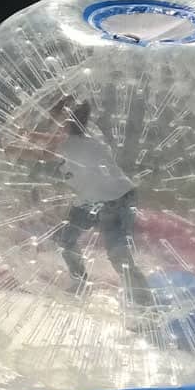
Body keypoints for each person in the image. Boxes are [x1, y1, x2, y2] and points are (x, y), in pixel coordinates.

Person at [39, 97, 154, 309]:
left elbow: (44, 153)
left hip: (114, 202)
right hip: (93, 200)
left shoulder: (69, 146)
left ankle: (145, 306)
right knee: (65, 239)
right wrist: (27, 135)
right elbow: (51, 142)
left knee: (118, 254)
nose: (50, 123)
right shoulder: (83, 140)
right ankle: (80, 283)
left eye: (53, 119)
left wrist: (10, 148)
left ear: (64, 122)